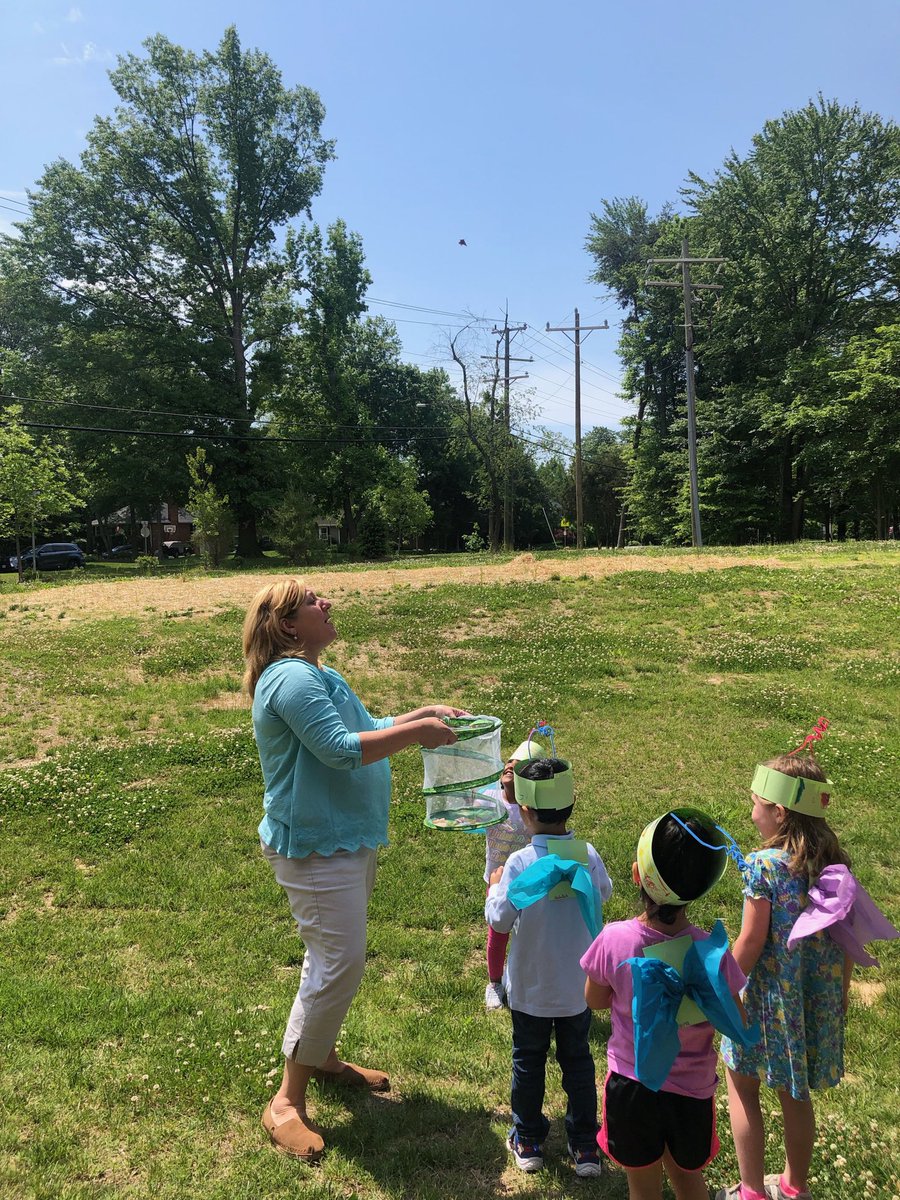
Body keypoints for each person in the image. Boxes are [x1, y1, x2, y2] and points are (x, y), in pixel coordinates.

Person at [242, 576, 464, 1162]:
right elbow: (340, 749)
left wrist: (419, 713)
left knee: (335, 961)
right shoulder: (290, 677)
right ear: (289, 625)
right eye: (313, 602)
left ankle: (321, 1058)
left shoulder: (316, 674)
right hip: (315, 848)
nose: (327, 603)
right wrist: (418, 733)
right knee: (337, 963)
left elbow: (363, 725)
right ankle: (286, 1102)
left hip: (342, 842)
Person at [715, 750, 868, 1200]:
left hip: (765, 1002)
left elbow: (750, 942)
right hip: (808, 1002)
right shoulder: (835, 864)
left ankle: (750, 1192)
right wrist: (840, 991)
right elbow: (846, 938)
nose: (751, 811)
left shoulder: (763, 866)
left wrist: (720, 986)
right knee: (796, 1095)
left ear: (778, 812)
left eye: (755, 802)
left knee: (742, 1085)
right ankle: (793, 1188)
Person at [581, 809, 750, 1200]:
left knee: (643, 1190)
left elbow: (594, 999)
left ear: (637, 876)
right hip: (692, 1094)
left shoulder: (614, 940)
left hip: (631, 1087)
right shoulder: (713, 955)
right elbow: (736, 1020)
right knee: (689, 1182)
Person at [486, 757, 613, 1177]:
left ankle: (528, 1139)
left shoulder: (521, 864)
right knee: (578, 1062)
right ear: (571, 802)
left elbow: (500, 919)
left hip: (531, 990)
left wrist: (494, 885)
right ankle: (584, 1146)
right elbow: (605, 893)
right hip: (577, 989)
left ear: (524, 810)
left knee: (528, 1060)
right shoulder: (587, 855)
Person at [482, 735, 547, 1010]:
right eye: (509, 761)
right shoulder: (489, 798)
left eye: (519, 765)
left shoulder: (530, 809)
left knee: (530, 932)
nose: (510, 765)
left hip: (528, 880)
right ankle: (495, 982)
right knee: (497, 934)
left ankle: (522, 974)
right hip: (498, 880)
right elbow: (468, 815)